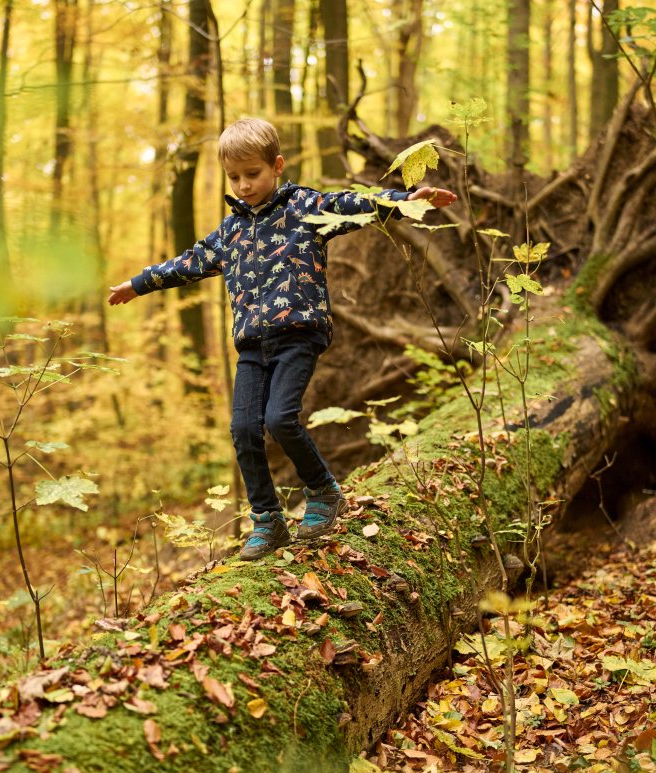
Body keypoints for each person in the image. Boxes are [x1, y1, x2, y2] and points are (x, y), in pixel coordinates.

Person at [110, 117, 456, 559]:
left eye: (252, 174)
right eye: (234, 177)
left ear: (276, 166)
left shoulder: (303, 207)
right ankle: (268, 519)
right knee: (243, 429)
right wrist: (138, 284)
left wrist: (405, 200)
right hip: (252, 344)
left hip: (298, 333)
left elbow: (352, 204)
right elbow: (187, 263)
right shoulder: (230, 232)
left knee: (279, 419)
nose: (243, 185)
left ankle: (324, 491)